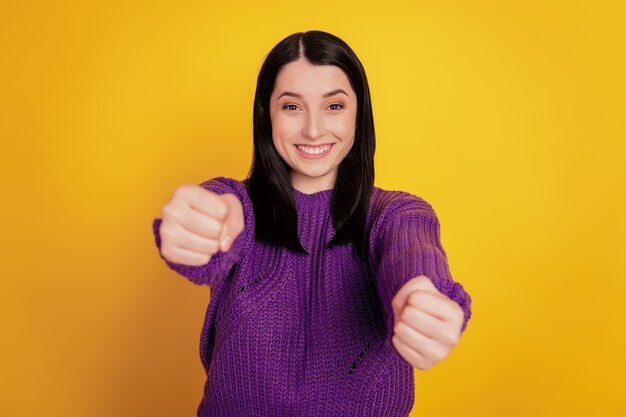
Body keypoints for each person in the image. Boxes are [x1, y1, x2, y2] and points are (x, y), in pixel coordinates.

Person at [152, 30, 472, 417]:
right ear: (266, 115)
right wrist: (200, 226)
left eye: (334, 106)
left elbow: (413, 254)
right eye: (292, 107)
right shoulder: (239, 205)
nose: (314, 130)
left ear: (359, 114)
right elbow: (220, 214)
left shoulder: (395, 213)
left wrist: (424, 297)